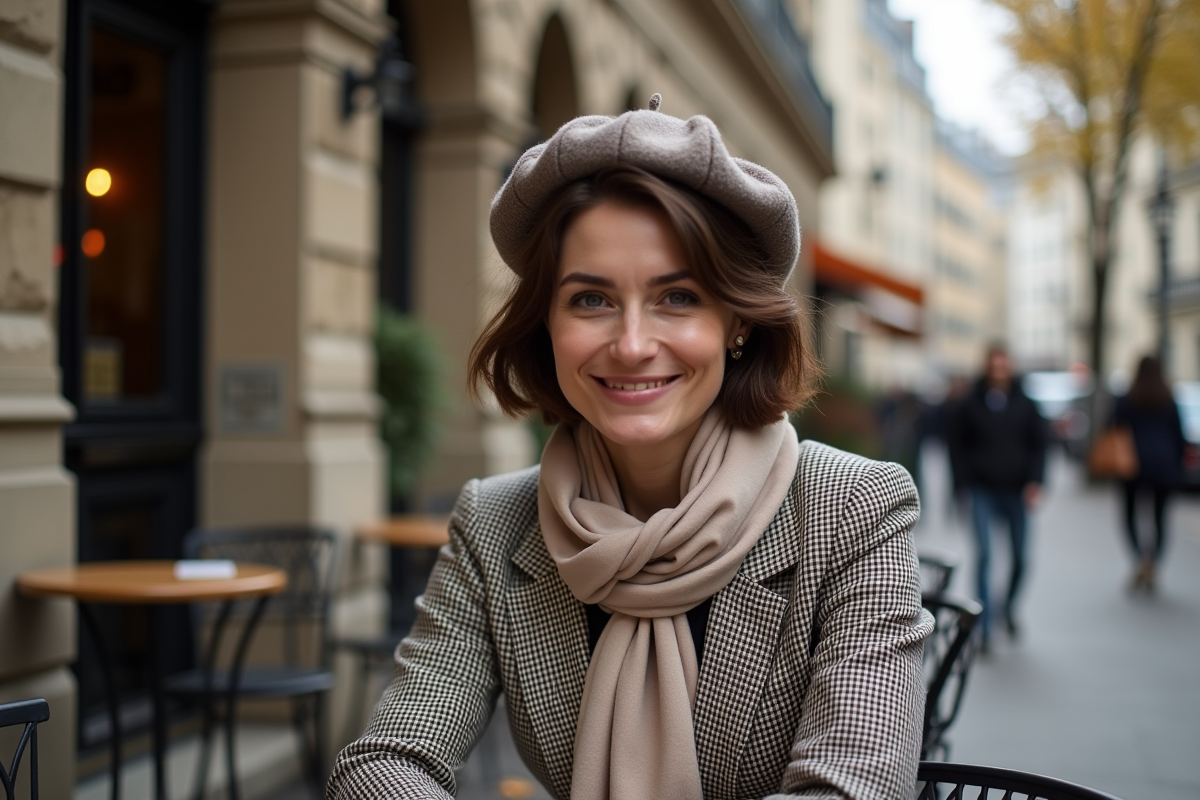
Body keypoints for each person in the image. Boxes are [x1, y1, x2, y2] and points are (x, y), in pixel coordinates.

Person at [327, 96, 932, 800]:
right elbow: (384, 761)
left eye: (677, 298)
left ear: (736, 323)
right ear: (546, 326)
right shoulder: (494, 523)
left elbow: (853, 789)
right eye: (591, 300)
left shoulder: (855, 509)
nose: (634, 344)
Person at [947, 345, 1047, 650]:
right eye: (995, 365)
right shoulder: (970, 404)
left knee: (1020, 558)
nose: (1000, 370)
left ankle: (1008, 607)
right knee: (986, 556)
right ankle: (985, 627)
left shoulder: (1026, 404)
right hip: (982, 489)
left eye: (1005, 365)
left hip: (1017, 491)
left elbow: (1039, 445)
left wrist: (1036, 482)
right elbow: (957, 446)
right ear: (988, 367)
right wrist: (961, 484)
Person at [1112, 355, 1187, 591]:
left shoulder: (1127, 398)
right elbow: (1179, 436)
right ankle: (1152, 563)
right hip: (1163, 465)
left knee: (1129, 515)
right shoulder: (1168, 398)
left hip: (1132, 465)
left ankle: (1139, 559)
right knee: (1160, 518)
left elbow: (1113, 429)